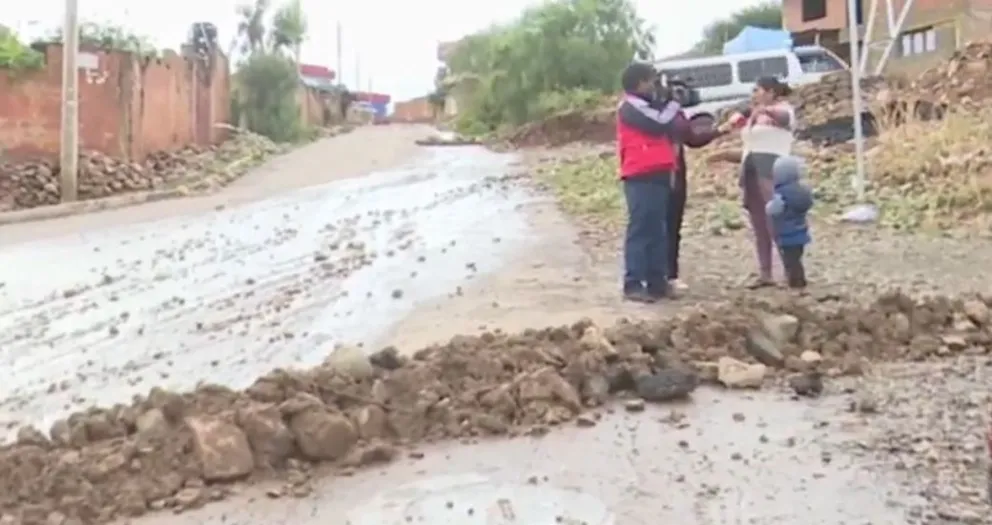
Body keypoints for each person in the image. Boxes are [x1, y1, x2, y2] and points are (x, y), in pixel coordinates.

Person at [616, 64, 726, 302]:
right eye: (651, 81)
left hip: (661, 171)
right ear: (639, 83)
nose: (655, 86)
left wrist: (672, 99)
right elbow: (658, 124)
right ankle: (633, 283)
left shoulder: (649, 104)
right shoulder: (629, 106)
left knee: (659, 231)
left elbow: (676, 125)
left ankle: (658, 283)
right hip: (639, 173)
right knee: (640, 230)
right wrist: (674, 102)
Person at [717, 76, 797, 288]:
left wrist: (761, 110)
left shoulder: (783, 110)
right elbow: (738, 134)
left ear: (771, 92)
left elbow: (783, 119)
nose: (755, 94)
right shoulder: (754, 115)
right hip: (752, 168)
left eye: (758, 90)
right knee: (759, 221)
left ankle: (791, 270)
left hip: (772, 167)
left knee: (776, 219)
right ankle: (765, 272)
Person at [766, 156, 813, 289]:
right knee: (797, 259)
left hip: (786, 233)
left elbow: (774, 209)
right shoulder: (803, 190)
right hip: (801, 230)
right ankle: (799, 279)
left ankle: (795, 282)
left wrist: (768, 207)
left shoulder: (781, 193)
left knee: (790, 261)